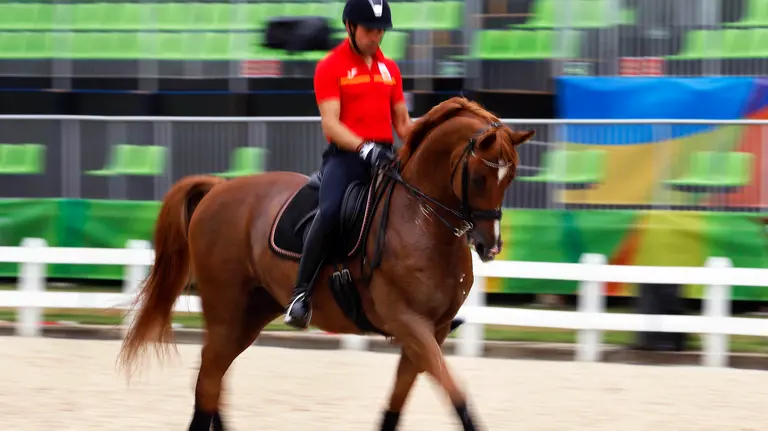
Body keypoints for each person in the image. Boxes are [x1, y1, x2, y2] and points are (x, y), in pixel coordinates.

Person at [284, 0, 412, 330]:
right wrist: (364, 148)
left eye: (381, 30)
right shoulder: (331, 66)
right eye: (370, 29)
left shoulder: (391, 69)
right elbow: (331, 124)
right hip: (347, 158)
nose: (377, 36)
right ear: (350, 27)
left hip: (385, 156)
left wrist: (432, 137)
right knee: (330, 212)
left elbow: (403, 124)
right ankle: (301, 295)